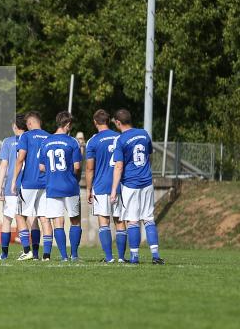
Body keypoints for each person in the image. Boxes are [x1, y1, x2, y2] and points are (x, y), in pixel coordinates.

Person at [110, 109, 165, 264]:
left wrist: (114, 189)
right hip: (147, 182)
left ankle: (134, 256)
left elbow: (119, 166)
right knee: (148, 219)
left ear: (118, 122)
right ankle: (155, 255)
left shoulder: (121, 140)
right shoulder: (144, 134)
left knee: (133, 221)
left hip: (130, 185)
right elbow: (149, 156)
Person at [37, 111, 83, 261]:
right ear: (68, 124)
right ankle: (74, 254)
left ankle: (64, 256)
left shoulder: (45, 142)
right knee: (75, 220)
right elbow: (77, 166)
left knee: (58, 222)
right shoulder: (72, 142)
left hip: (52, 187)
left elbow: (42, 167)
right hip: (70, 186)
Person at [85, 109, 126, 263]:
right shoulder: (120, 137)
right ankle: (121, 258)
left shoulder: (93, 141)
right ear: (109, 121)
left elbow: (90, 168)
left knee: (104, 221)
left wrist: (89, 189)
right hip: (119, 185)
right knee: (120, 221)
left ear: (95, 122)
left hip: (101, 186)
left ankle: (109, 258)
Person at [10, 111, 51, 261]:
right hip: (46, 183)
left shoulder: (25, 136)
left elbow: (20, 159)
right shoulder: (49, 137)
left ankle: (27, 251)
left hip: (29, 182)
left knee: (20, 215)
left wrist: (14, 180)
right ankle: (45, 255)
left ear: (30, 123)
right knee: (44, 218)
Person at [0, 114, 27, 261]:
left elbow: (3, 165)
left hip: (11, 188)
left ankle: (4, 254)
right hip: (29, 185)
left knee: (7, 220)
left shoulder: (8, 142)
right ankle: (33, 252)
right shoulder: (31, 140)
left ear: (15, 126)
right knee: (31, 219)